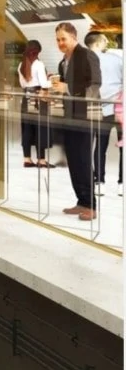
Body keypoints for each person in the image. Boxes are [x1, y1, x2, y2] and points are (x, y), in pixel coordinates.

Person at [52, 22, 101, 221]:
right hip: (70, 116)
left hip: (86, 117)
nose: (60, 43)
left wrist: (68, 89)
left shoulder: (88, 55)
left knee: (83, 159)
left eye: (63, 38)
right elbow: (64, 89)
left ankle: (91, 205)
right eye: (57, 40)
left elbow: (95, 85)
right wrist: (52, 94)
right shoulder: (63, 62)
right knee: (73, 160)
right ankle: (81, 201)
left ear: (74, 37)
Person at [86, 32, 123, 196]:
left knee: (100, 146)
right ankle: (122, 184)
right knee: (124, 147)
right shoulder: (116, 59)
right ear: (100, 42)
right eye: (105, 40)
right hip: (121, 108)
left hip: (100, 108)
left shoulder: (85, 61)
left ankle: (99, 182)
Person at [17, 40, 52, 168]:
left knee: (27, 128)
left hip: (26, 98)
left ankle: (27, 159)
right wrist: (51, 81)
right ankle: (41, 160)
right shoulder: (39, 64)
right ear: (37, 51)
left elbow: (22, 84)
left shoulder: (21, 64)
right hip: (38, 99)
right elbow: (43, 84)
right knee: (40, 128)